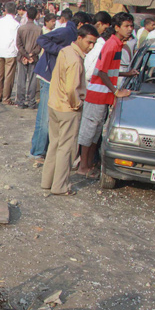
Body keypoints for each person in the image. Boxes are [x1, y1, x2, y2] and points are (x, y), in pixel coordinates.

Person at [41, 24, 100, 196]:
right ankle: (60, 186)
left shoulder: (65, 51)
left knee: (54, 145)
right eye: (89, 42)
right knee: (66, 149)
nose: (91, 47)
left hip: (54, 104)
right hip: (67, 108)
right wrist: (77, 105)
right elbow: (71, 89)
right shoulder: (75, 59)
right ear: (80, 38)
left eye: (94, 44)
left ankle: (47, 181)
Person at [77, 12, 136, 177]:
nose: (129, 29)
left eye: (131, 26)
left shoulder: (118, 45)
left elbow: (109, 71)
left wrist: (126, 74)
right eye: (126, 26)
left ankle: (88, 165)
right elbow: (101, 72)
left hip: (103, 95)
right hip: (97, 95)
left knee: (95, 133)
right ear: (116, 28)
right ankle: (83, 166)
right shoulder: (111, 45)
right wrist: (117, 91)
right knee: (89, 132)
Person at [30, 9, 80, 162]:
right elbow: (42, 39)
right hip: (48, 76)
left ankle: (45, 149)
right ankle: (37, 151)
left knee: (51, 115)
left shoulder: (73, 34)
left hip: (57, 78)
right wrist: (61, 51)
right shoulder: (67, 33)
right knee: (44, 117)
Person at [0, 2, 20, 105]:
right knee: (9, 76)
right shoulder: (16, 24)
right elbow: (16, 40)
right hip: (10, 52)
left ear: (5, 10)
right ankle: (6, 98)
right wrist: (17, 52)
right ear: (15, 11)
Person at [16, 6, 43, 109]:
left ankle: (20, 102)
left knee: (21, 80)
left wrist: (25, 55)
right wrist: (31, 54)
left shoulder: (21, 29)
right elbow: (39, 46)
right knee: (32, 80)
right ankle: (31, 101)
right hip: (33, 58)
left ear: (26, 15)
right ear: (36, 16)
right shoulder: (39, 29)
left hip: (22, 57)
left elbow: (19, 45)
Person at [83, 11, 112, 83]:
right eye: (105, 28)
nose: (105, 32)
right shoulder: (98, 43)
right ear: (99, 24)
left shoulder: (98, 40)